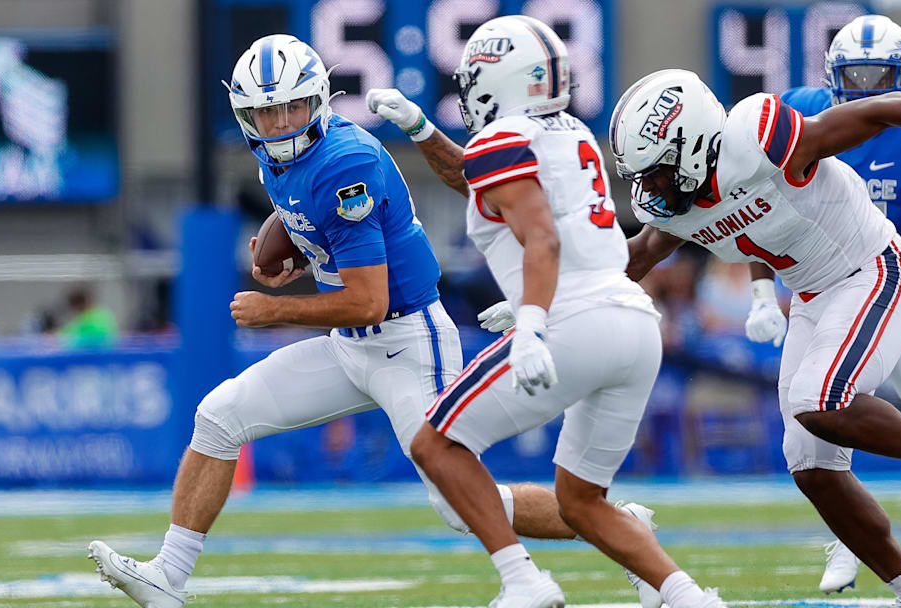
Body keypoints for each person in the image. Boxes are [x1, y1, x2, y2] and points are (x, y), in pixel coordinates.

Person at [87, 33, 641, 608]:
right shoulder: (279, 156)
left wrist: (274, 309)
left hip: (408, 341)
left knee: (456, 505)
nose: (278, 123)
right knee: (220, 416)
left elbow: (368, 300)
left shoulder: (345, 162)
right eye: (264, 112)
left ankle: (617, 529)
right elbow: (306, 216)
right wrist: (298, 252)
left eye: (291, 107)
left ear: (318, 100)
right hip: (352, 347)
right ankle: (169, 578)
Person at [369, 16, 725, 608]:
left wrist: (532, 318)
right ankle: (689, 596)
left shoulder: (501, 139)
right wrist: (422, 129)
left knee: (435, 446)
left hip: (571, 321)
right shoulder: (572, 135)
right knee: (580, 501)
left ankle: (523, 580)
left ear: (499, 79)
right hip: (634, 322)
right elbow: (490, 185)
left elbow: (541, 238)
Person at [610, 67, 901, 608]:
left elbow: (868, 113)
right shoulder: (677, 202)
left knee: (819, 400)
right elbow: (640, 255)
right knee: (810, 463)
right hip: (813, 295)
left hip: (872, 269)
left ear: (692, 147)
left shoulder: (758, 140)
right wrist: (550, 301)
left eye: (658, 171)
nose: (649, 187)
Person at [740, 15, 901, 594]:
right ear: (831, 78)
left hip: (898, 290)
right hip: (821, 298)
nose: (870, 90)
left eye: (883, 77)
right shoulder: (798, 112)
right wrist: (760, 291)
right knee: (813, 431)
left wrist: (872, 302)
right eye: (857, 76)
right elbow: (747, 202)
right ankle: (853, 540)